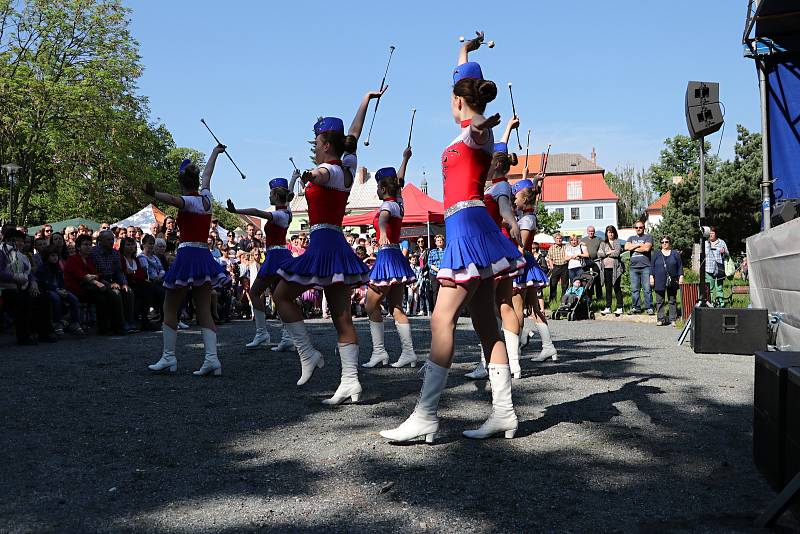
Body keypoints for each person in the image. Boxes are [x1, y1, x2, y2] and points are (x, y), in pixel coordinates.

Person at [382, 33, 523, 443]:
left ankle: (426, 415)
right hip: (470, 229)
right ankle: (504, 414)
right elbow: (462, 82)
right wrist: (465, 52)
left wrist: (484, 122)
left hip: (468, 230)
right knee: (483, 322)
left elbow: (480, 128)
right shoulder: (465, 128)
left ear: (458, 102)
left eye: (452, 96)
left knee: (443, 319)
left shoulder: (477, 134)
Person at [273, 87, 384, 405]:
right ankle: (350, 381)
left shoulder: (331, 170)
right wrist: (364, 101)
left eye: (317, 144)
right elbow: (353, 133)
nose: (315, 149)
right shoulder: (348, 165)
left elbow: (321, 173)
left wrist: (310, 174)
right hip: (332, 244)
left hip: (324, 244)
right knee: (341, 316)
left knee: (282, 296)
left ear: (324, 144)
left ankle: (309, 354)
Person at [144, 144, 229, 376]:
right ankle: (212, 359)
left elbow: (172, 199)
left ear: (181, 182)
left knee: (169, 305)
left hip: (188, 255)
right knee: (203, 308)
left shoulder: (188, 201)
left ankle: (169, 358)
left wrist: (153, 194)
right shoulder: (206, 198)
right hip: (203, 256)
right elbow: (208, 174)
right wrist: (214, 152)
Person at [470, 132, 523, 378]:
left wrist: (512, 222)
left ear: (496, 163)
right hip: (501, 246)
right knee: (503, 304)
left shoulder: (499, 186)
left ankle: (488, 362)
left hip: (493, 246)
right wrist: (509, 128)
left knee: (488, 306)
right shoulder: (501, 184)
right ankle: (513, 363)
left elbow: (503, 209)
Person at [226, 175, 298, 351]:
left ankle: (264, 333)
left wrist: (237, 211)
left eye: (270, 194)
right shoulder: (286, 211)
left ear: (275, 195)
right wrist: (294, 179)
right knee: (277, 295)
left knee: (256, 291)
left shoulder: (279, 215)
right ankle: (285, 336)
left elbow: (257, 212)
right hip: (281, 255)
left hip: (275, 256)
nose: (268, 197)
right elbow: (287, 196)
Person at [362, 149, 418, 369]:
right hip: (396, 256)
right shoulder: (399, 203)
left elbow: (383, 218)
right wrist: (404, 159)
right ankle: (409, 352)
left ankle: (379, 352)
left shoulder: (387, 206)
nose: (376, 190)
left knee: (369, 305)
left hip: (386, 256)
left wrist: (382, 230)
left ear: (383, 188)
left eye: (377, 186)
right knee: (396, 307)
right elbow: (400, 181)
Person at [507, 178, 557, 363]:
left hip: (521, 263)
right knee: (534, 308)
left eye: (516, 197)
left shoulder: (527, 219)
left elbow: (522, 246)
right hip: (524, 263)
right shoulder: (525, 213)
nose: (514, 200)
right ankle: (548, 346)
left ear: (525, 199)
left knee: (517, 309)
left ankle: (515, 352)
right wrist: (531, 178)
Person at [0, 227, 57, 344]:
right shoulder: (2, 252)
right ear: (8, 241)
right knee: (23, 301)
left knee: (43, 298)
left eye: (22, 241)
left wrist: (34, 283)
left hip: (22, 286)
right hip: (5, 288)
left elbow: (29, 273)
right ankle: (23, 336)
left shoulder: (22, 256)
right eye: (16, 240)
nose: (20, 243)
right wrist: (14, 277)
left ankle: (43, 333)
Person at [64, 233, 126, 335]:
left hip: (88, 288)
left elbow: (96, 274)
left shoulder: (89, 259)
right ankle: (105, 328)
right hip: (76, 290)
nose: (88, 247)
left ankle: (116, 326)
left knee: (112, 294)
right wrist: (96, 281)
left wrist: (97, 280)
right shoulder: (73, 259)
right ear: (78, 247)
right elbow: (82, 276)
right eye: (85, 245)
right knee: (102, 298)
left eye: (89, 244)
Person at [36, 245, 84, 335]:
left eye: (56, 256)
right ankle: (57, 323)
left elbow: (62, 281)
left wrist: (63, 289)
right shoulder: (42, 268)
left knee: (74, 299)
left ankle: (75, 322)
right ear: (47, 257)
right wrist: (57, 290)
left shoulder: (58, 267)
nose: (55, 258)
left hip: (59, 289)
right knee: (56, 298)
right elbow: (43, 283)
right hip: (47, 290)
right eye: (52, 256)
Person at [650, 234, 684, 326]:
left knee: (672, 300)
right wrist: (651, 277)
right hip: (659, 280)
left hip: (672, 280)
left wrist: (681, 276)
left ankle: (672, 319)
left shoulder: (675, 254)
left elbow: (680, 266)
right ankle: (660, 319)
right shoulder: (656, 254)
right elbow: (652, 267)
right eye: (662, 242)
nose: (664, 244)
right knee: (659, 300)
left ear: (669, 243)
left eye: (666, 242)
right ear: (660, 243)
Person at [625, 221, 654, 314]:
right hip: (633, 267)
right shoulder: (631, 238)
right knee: (634, 289)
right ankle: (636, 307)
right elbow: (626, 247)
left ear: (643, 228)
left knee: (647, 289)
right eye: (636, 227)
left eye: (640, 227)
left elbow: (647, 248)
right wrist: (639, 245)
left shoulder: (648, 237)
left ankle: (649, 307)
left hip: (645, 267)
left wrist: (632, 247)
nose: (638, 229)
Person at [597, 225, 624, 316]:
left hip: (615, 268)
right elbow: (599, 253)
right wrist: (608, 252)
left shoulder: (617, 242)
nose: (611, 234)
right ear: (606, 233)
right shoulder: (603, 243)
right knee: (608, 288)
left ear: (614, 233)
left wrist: (607, 254)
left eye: (612, 232)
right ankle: (608, 307)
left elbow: (617, 253)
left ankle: (619, 307)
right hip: (606, 268)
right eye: (609, 232)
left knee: (616, 287)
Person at [138, 234, 166, 322]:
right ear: (143, 245)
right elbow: (146, 271)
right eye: (149, 243)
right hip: (149, 282)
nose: (151, 245)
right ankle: (161, 318)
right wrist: (155, 277)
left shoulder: (155, 257)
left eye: (153, 243)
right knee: (162, 292)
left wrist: (159, 276)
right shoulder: (141, 257)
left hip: (158, 280)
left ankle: (172, 318)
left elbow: (162, 269)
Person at [705, 226, 728, 306]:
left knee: (719, 287)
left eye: (712, 233)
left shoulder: (722, 242)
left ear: (716, 234)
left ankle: (720, 304)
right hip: (708, 268)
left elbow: (727, 255)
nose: (710, 235)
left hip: (719, 269)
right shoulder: (705, 243)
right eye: (709, 233)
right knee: (709, 288)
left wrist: (724, 252)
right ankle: (710, 304)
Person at [580, 226, 603, 301]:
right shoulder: (583, 240)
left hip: (595, 261)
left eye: (592, 231)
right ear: (587, 232)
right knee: (588, 280)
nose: (591, 232)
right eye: (590, 231)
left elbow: (604, 245)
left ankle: (599, 297)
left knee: (597, 279)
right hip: (586, 262)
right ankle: (589, 297)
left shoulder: (598, 239)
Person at [546, 232, 568, 306]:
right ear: (555, 239)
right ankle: (552, 300)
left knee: (564, 285)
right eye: (557, 238)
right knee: (553, 284)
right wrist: (552, 267)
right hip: (556, 267)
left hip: (564, 266)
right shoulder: (551, 248)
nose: (559, 240)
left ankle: (563, 301)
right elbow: (549, 258)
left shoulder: (565, 247)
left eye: (560, 238)